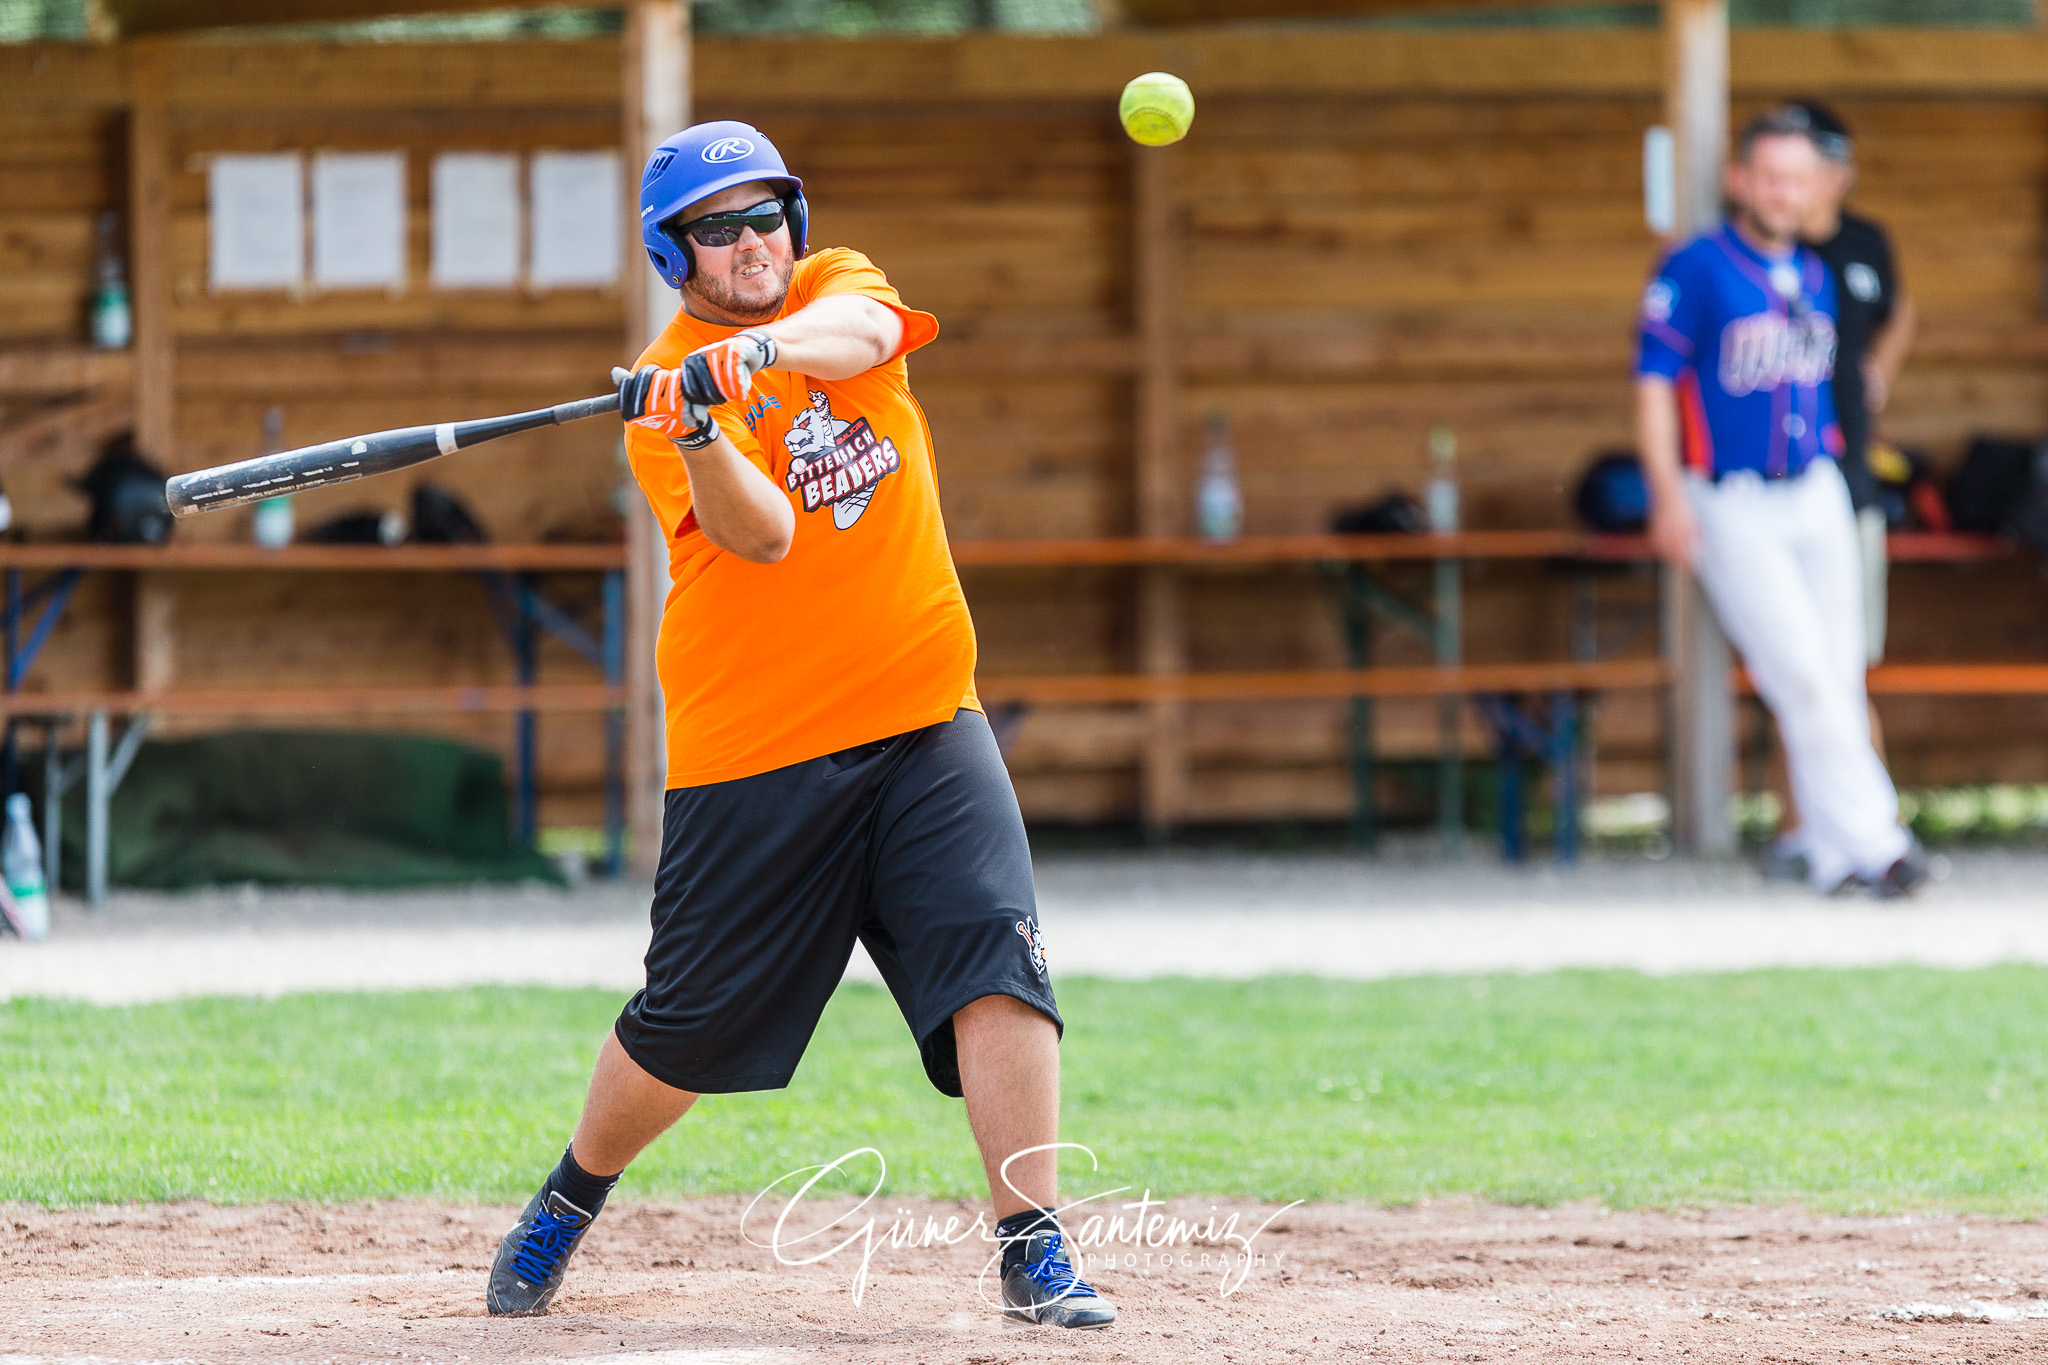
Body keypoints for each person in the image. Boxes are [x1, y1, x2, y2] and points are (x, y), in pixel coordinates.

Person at [484, 121, 1115, 1331]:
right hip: (756, 751)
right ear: (677, 256)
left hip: (926, 712)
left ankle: (1034, 1249)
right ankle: (569, 1197)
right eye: (715, 229)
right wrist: (697, 422)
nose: (749, 241)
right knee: (687, 1028)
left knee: (1000, 962)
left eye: (764, 213)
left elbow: (865, 338)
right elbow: (761, 533)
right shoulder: (659, 385)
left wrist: (761, 354)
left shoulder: (838, 292)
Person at [1634, 107, 1925, 898]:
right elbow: (1656, 384)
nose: (1782, 192)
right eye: (1768, 176)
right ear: (1740, 180)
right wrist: (1667, 493)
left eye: (1797, 179)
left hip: (1815, 482)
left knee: (1835, 670)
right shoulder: (1694, 268)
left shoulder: (1817, 272)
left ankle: (1836, 854)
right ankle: (1881, 840)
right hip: (1731, 493)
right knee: (1797, 669)